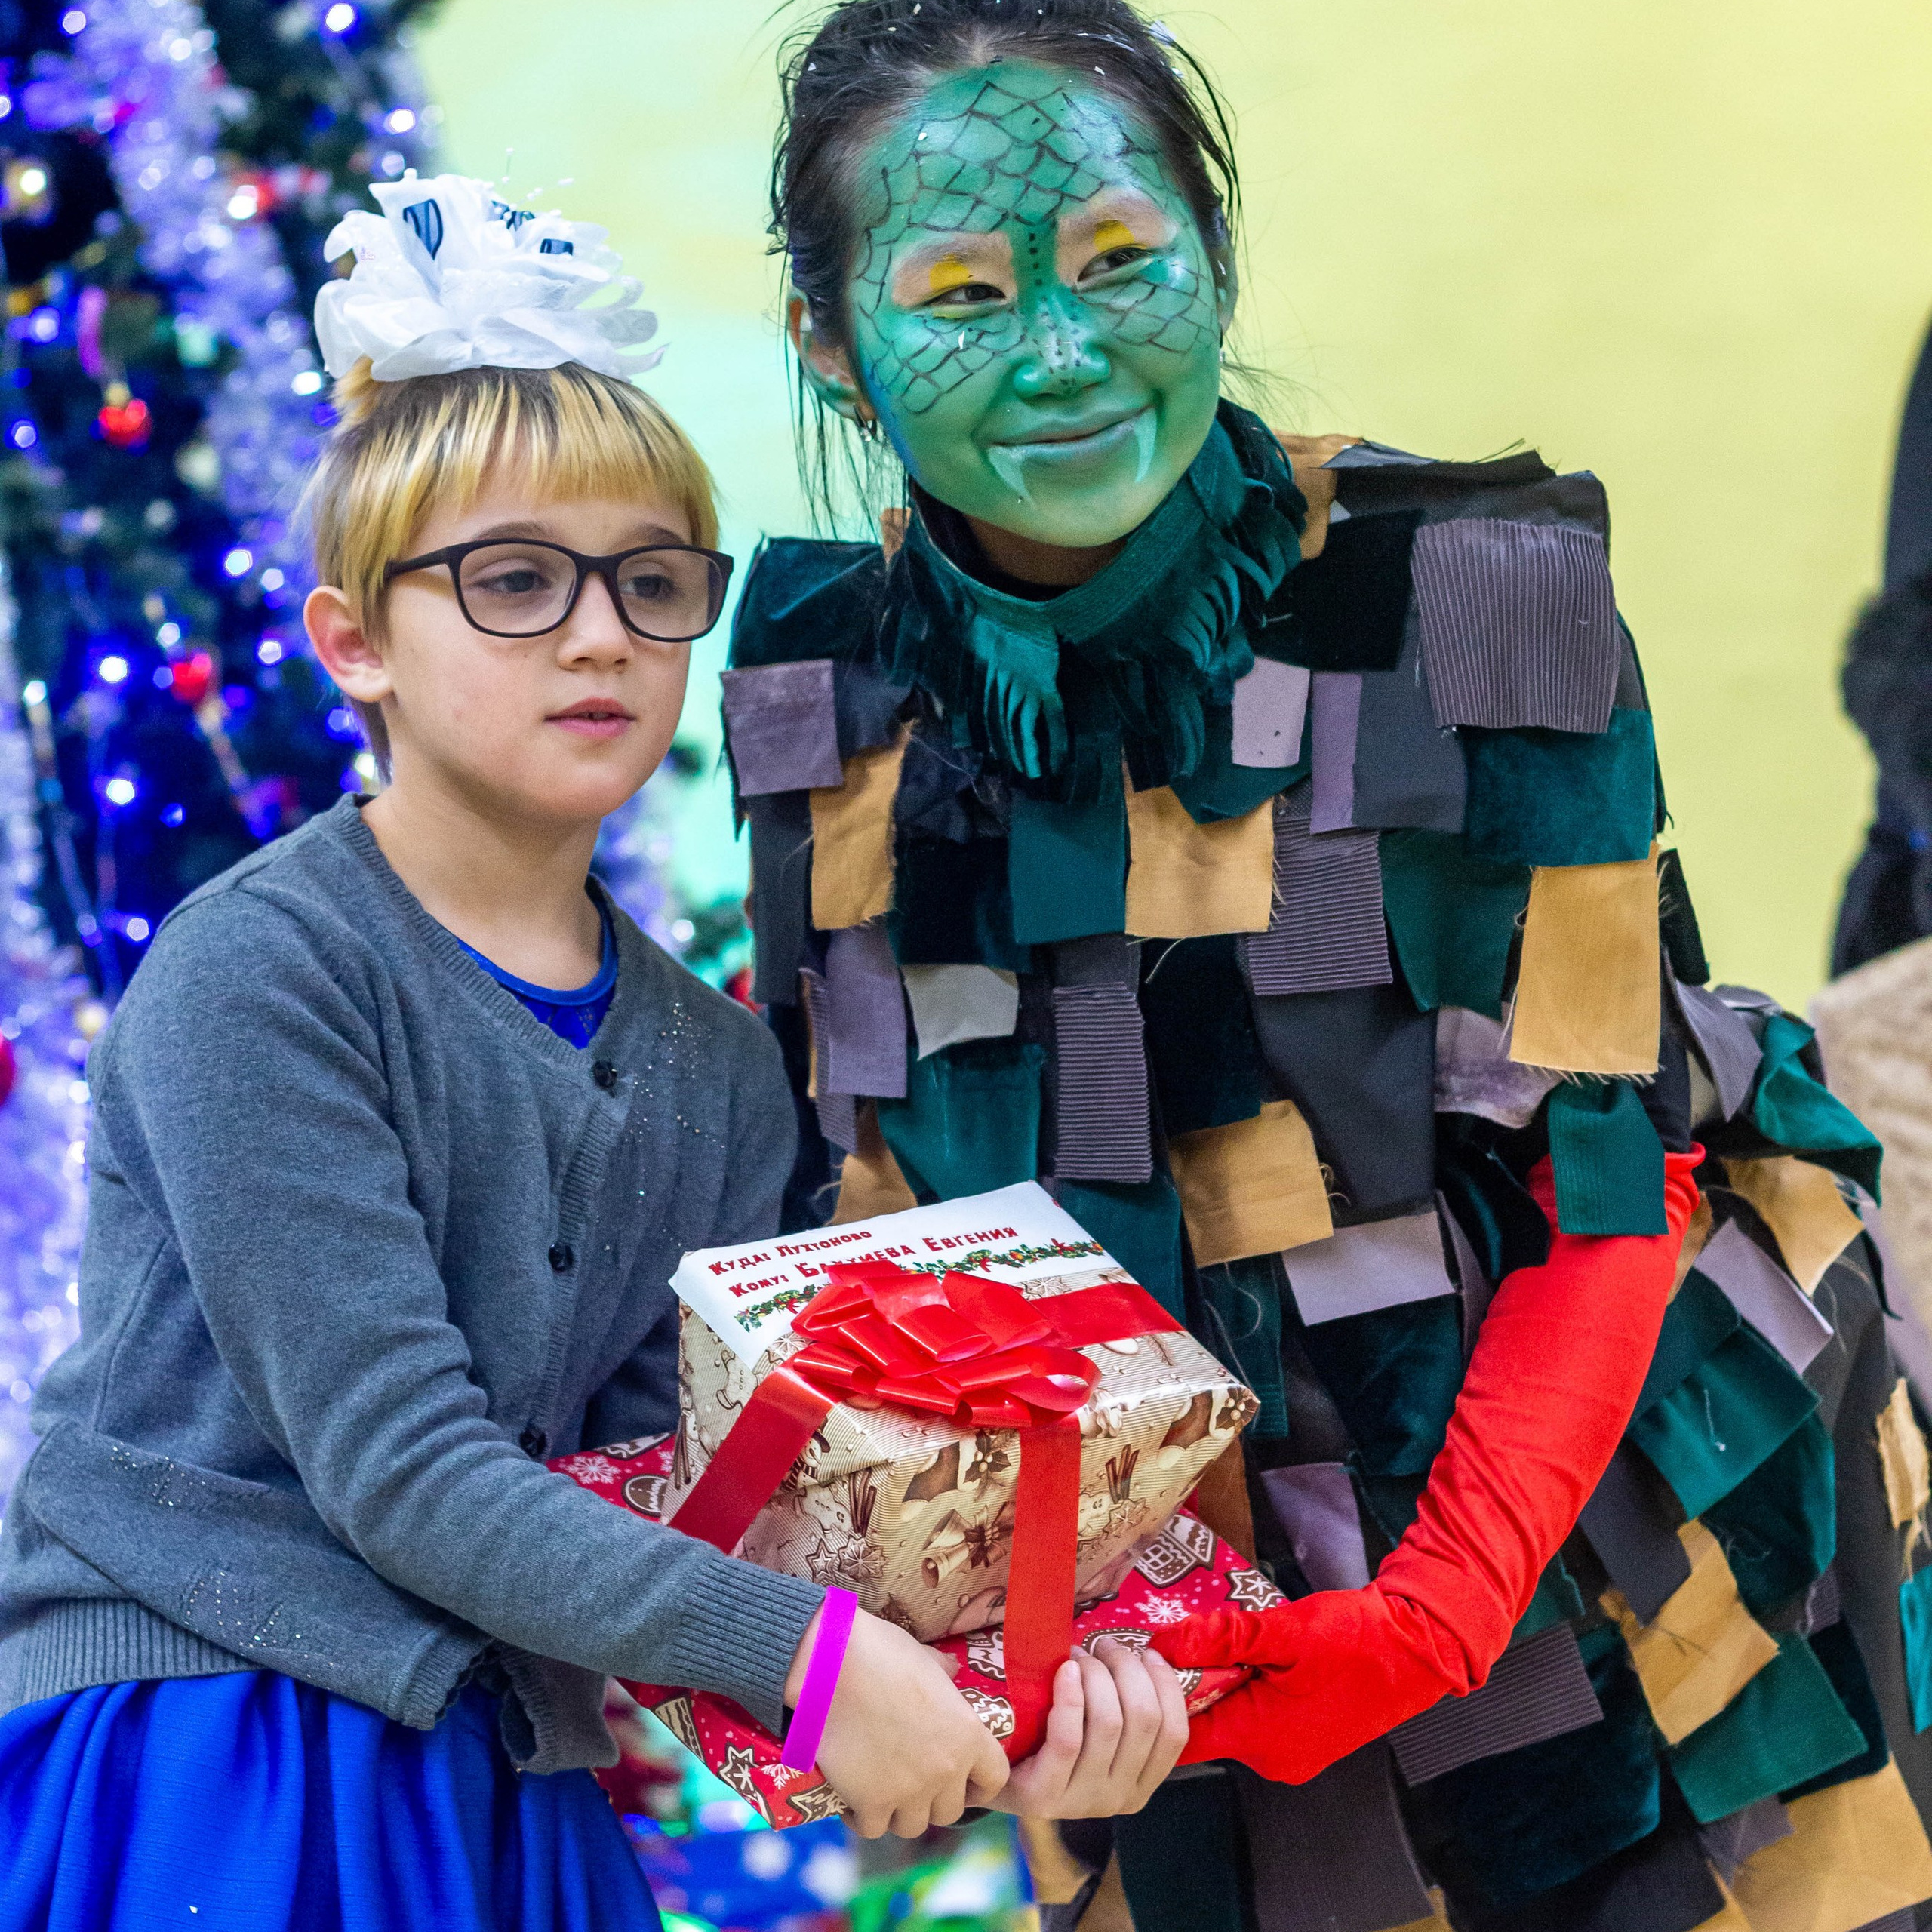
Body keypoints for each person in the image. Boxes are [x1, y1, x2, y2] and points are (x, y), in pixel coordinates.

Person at [730, 5, 1932, 1926]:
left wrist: (1436, 1609)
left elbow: (1610, 1163)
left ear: (1214, 250)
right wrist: (996, 1645)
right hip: (1160, 1678)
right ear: (828, 340)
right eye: (961, 294)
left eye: (1119, 261)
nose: (1062, 350)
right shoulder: (822, 684)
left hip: (1611, 1572)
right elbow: (887, 1212)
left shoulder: (1474, 589)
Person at [0, 175, 1183, 1931]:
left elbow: (666, 1490)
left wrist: (1002, 1697)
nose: (599, 631)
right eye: (512, 579)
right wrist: (814, 1662)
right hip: (223, 1745)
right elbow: (402, 1465)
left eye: (649, 580)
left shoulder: (717, 1065)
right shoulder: (265, 969)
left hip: (507, 1765)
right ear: (353, 643)